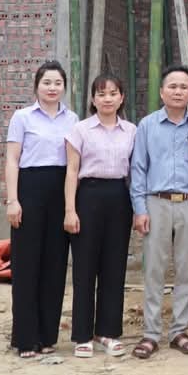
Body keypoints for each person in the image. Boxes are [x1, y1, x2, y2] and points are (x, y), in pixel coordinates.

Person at [129, 65, 188, 360]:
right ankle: (150, 333)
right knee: (154, 269)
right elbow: (138, 168)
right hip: (156, 202)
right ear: (162, 92)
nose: (177, 91)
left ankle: (179, 331)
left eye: (183, 87)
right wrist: (139, 209)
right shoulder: (147, 125)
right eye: (172, 86)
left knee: (187, 268)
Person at [4, 60, 78, 359]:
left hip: (60, 191)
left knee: (55, 265)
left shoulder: (72, 119)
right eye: (47, 82)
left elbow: (73, 164)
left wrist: (71, 206)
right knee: (26, 265)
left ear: (64, 87)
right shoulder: (22, 117)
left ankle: (47, 336)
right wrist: (12, 200)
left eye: (57, 83)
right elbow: (12, 160)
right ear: (36, 86)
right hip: (29, 190)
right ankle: (25, 338)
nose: (52, 88)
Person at [64, 74, 136, 358]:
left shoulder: (132, 131)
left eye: (113, 93)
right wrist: (70, 210)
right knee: (84, 267)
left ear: (122, 98)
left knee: (114, 267)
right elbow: (72, 170)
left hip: (119, 196)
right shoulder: (80, 130)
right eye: (101, 94)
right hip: (88, 196)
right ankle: (82, 335)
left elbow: (136, 171)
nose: (107, 98)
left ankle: (108, 332)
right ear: (93, 99)